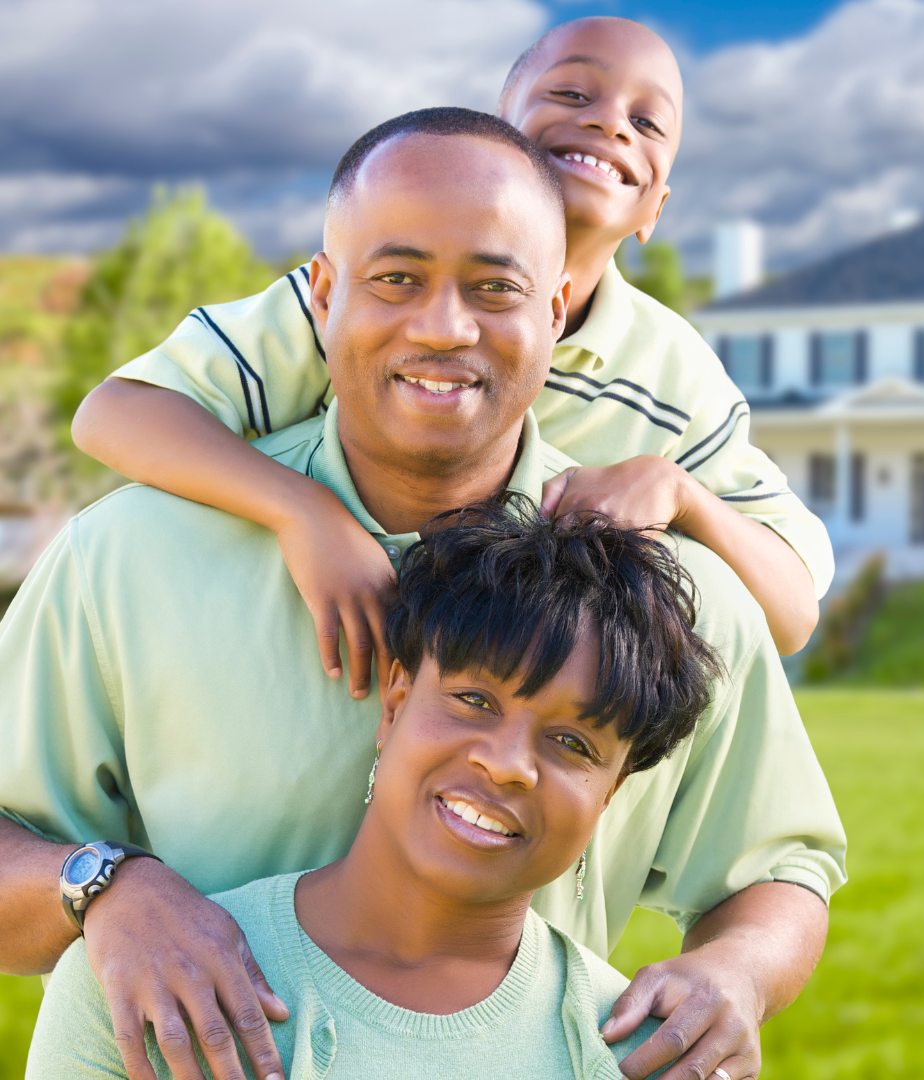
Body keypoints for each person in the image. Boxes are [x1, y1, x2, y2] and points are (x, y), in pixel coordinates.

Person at [0, 108, 845, 1080]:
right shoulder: (131, 557)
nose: (445, 328)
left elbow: (780, 869)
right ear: (323, 296)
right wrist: (104, 889)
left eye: (495, 289)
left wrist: (736, 974)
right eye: (398, 279)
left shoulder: (668, 603)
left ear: (558, 310)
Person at [71, 16, 826, 697]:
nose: (608, 123)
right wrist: (303, 512)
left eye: (646, 121)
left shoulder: (673, 376)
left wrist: (679, 492)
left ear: (655, 209)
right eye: (571, 92)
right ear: (497, 136)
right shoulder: (364, 299)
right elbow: (115, 415)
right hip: (296, 665)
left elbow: (789, 614)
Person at [28, 501, 724, 1078]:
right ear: (394, 703)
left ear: (611, 793)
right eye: (475, 700)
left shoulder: (643, 1053)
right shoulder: (146, 981)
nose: (509, 764)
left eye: (573, 743)